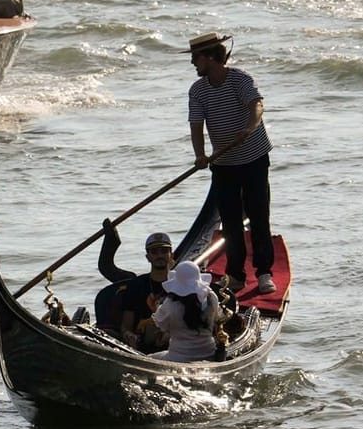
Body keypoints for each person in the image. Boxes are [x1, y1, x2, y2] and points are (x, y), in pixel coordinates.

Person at [187, 32, 275, 296]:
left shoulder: (240, 79)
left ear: (211, 57)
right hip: (223, 163)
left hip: (254, 159)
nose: (193, 63)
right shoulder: (198, 90)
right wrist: (200, 155)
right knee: (230, 221)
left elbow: (257, 105)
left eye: (195, 58)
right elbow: (196, 125)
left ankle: (264, 273)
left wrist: (249, 128)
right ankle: (236, 275)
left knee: (259, 216)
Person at [114, 230, 175, 350]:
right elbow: (126, 326)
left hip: (175, 342)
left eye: (164, 251)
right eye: (154, 252)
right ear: (148, 257)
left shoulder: (181, 284)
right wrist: (129, 336)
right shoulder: (136, 285)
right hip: (143, 343)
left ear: (171, 255)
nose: (159, 255)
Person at [150, 260, 221, 362]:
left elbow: (161, 326)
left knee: (149, 358)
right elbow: (217, 318)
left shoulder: (170, 303)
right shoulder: (211, 296)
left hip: (178, 357)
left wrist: (156, 308)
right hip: (209, 353)